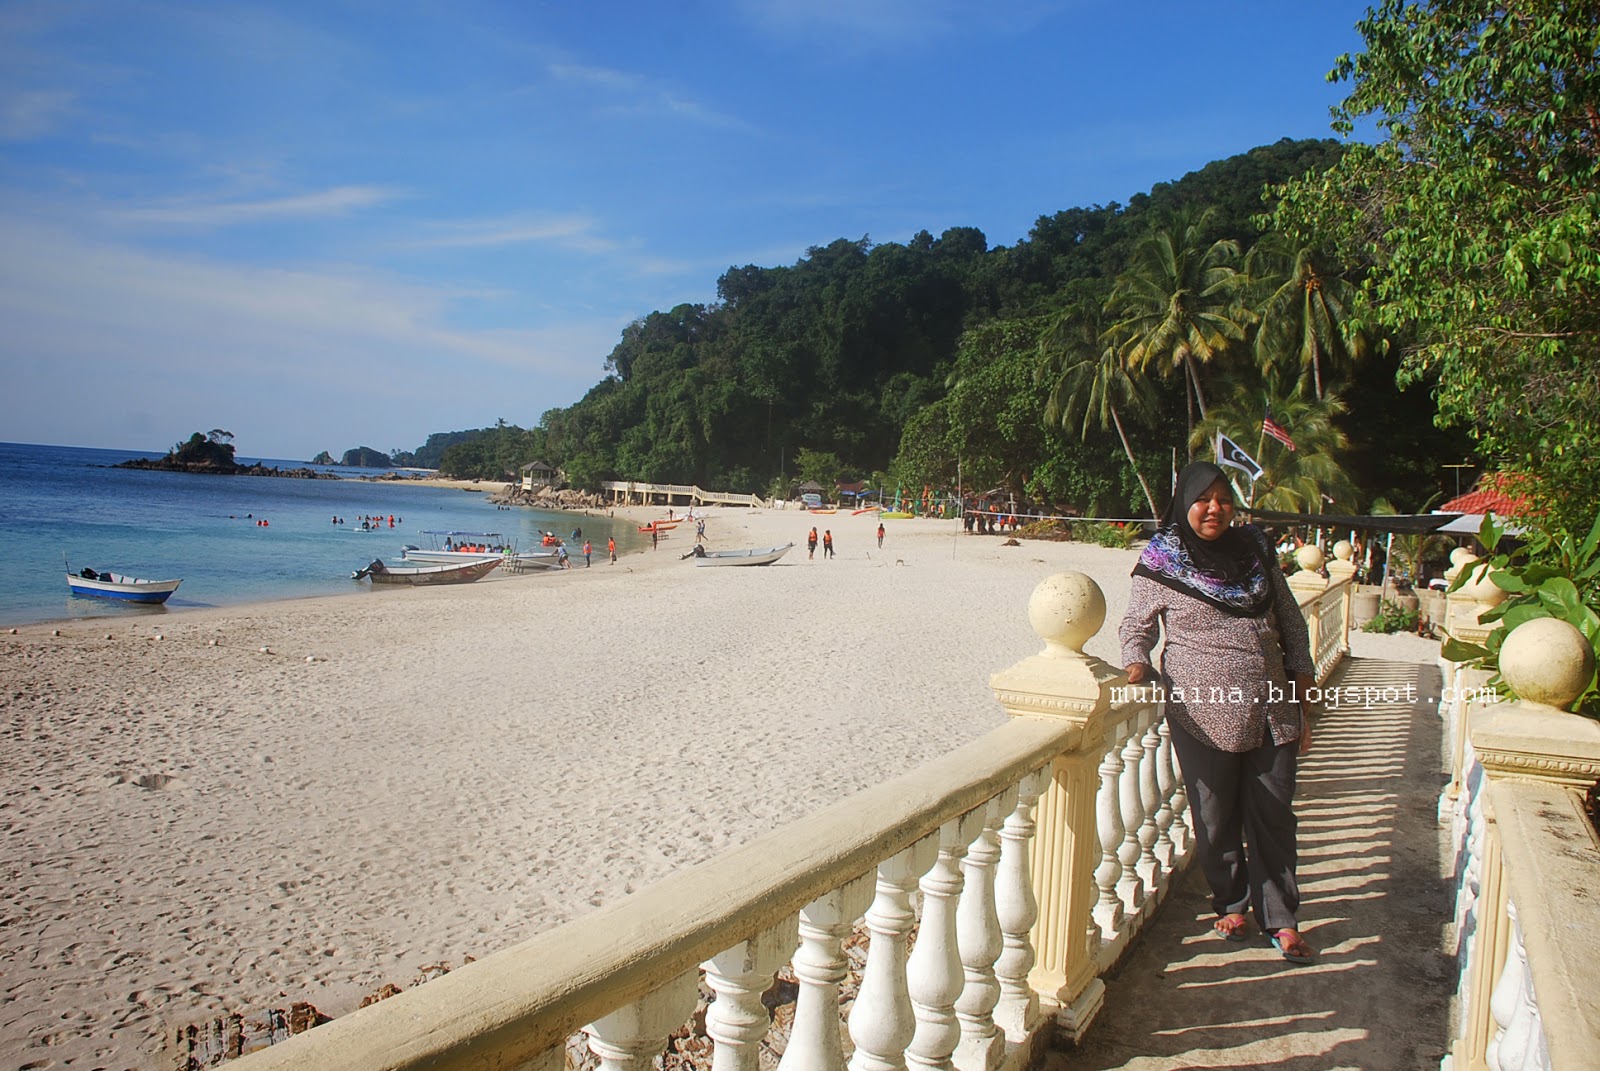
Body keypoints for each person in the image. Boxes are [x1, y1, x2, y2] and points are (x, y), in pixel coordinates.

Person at [1118, 461, 1318, 965]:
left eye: (1223, 498)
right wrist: (1136, 661)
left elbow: (1290, 622)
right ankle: (1230, 902)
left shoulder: (1256, 549)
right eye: (1203, 499)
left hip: (1274, 706)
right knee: (1213, 814)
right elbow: (1136, 625)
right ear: (1183, 502)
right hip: (1203, 710)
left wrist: (1305, 688)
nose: (1214, 509)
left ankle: (1283, 919)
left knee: (1274, 814)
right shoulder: (1163, 558)